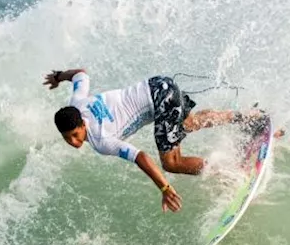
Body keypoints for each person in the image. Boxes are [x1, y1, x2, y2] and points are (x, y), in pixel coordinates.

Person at [44, 68, 257, 213]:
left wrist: (164, 188)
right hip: (160, 84)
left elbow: (140, 156)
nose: (73, 141)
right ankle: (249, 117)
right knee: (189, 123)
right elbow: (80, 74)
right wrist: (60, 76)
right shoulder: (77, 102)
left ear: (82, 123)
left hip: (159, 100)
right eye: (67, 138)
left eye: (75, 134)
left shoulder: (101, 140)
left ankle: (235, 173)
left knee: (172, 162)